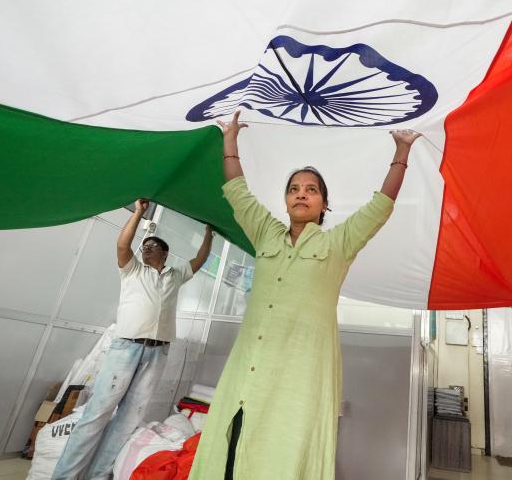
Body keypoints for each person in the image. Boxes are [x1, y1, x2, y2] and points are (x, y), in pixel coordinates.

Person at [188, 110, 421, 480]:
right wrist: (230, 139)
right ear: (285, 201)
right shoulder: (265, 233)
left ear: (323, 205)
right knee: (230, 450)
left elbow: (379, 208)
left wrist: (402, 151)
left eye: (311, 190)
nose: (302, 194)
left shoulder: (338, 245)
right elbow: (237, 192)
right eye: (294, 189)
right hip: (247, 369)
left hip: (298, 377)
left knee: (282, 451)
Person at [52, 199, 213, 479]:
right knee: (97, 415)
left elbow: (199, 260)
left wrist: (209, 233)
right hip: (126, 349)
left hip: (157, 353)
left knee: (127, 421)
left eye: (152, 246)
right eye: (144, 246)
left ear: (165, 252)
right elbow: (123, 246)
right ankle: (64, 476)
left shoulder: (175, 276)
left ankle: (98, 475)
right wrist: (139, 212)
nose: (146, 248)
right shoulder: (133, 270)